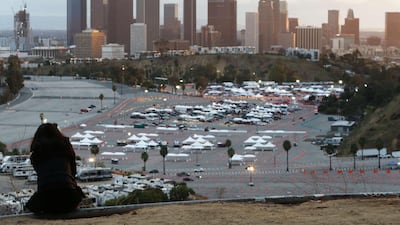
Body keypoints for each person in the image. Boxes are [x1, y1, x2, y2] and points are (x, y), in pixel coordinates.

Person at [26, 123, 84, 214]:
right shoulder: (66, 148)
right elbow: (73, 172)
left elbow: (41, 176)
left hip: (46, 200)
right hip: (70, 198)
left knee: (29, 207)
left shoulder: (36, 153)